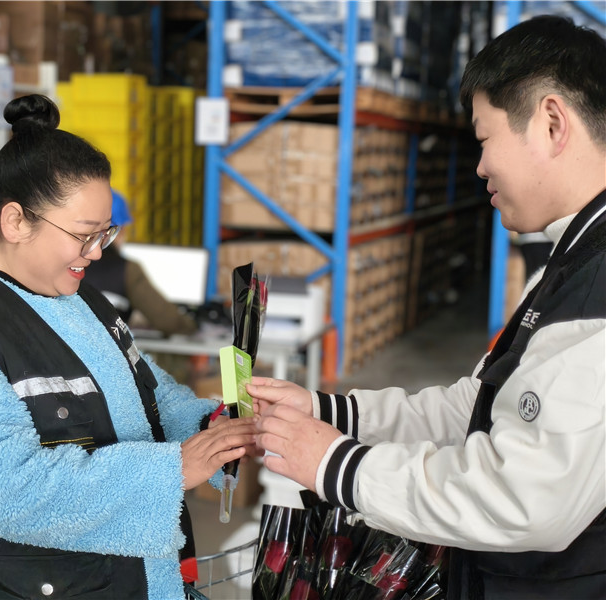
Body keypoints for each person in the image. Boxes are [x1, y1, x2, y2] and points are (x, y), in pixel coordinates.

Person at [250, 15, 606, 599]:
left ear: (551, 123)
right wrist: (330, 412)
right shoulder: (569, 263)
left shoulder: (596, 291)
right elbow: (479, 408)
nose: (480, 166)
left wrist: (337, 465)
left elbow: (525, 497)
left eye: (485, 140)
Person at [0, 94, 258, 600]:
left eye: (105, 233)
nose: (97, 252)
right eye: (84, 234)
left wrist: (210, 428)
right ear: (15, 222)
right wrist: (175, 469)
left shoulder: (79, 297)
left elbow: (147, 393)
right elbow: (11, 491)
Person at [84, 190, 199, 337]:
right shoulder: (126, 269)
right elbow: (167, 319)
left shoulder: (69, 261)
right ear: (117, 230)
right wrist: (194, 328)